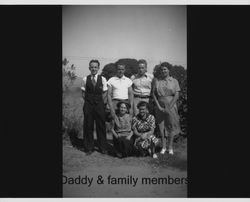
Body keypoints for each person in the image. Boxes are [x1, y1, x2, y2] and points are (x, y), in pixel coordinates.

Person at [152, 62, 181, 155]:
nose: (163, 71)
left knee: (171, 126)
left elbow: (176, 95)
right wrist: (159, 106)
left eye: (165, 69)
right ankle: (164, 147)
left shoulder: (174, 81)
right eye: (162, 69)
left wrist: (169, 107)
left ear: (169, 70)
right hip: (160, 106)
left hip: (171, 106)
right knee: (161, 127)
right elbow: (153, 94)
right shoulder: (157, 80)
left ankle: (170, 147)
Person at [81, 59, 108, 155]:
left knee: (101, 126)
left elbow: (105, 93)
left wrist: (101, 103)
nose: (93, 69)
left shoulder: (103, 79)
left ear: (98, 68)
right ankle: (89, 147)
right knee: (88, 125)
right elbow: (83, 93)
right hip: (88, 105)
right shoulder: (85, 79)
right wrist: (89, 102)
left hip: (99, 105)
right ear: (89, 68)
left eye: (95, 67)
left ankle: (103, 147)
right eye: (92, 67)